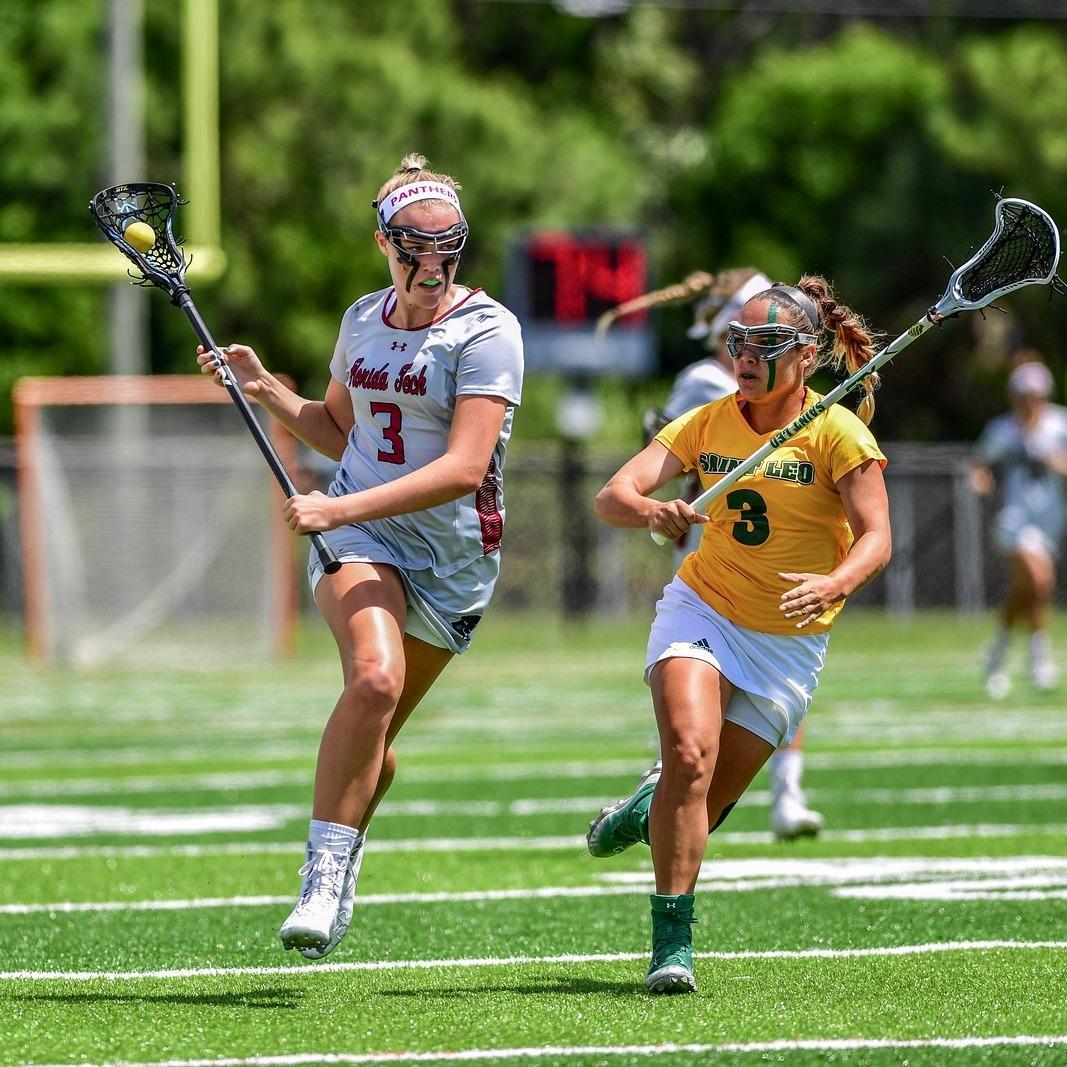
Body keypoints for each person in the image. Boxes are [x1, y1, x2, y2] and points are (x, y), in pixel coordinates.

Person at [197, 153, 523, 959]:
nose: (432, 268)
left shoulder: (488, 332)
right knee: (374, 681)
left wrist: (334, 504)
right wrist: (265, 388)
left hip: (451, 559)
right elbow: (339, 430)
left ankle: (345, 847)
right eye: (415, 250)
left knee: (376, 738)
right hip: (364, 537)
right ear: (384, 243)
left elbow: (462, 469)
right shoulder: (360, 320)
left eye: (447, 250)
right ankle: (322, 875)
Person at [586, 276, 891, 994]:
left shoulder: (839, 434)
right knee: (689, 756)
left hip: (788, 644)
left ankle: (641, 811)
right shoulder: (706, 421)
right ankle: (672, 946)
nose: (746, 356)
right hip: (703, 609)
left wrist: (836, 582)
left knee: (704, 801)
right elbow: (613, 496)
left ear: (807, 355)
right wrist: (652, 511)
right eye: (739, 341)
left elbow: (876, 537)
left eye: (766, 344)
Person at [600, 267, 825, 841]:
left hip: (777, 558)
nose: (754, 351)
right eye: (748, 337)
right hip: (717, 556)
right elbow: (668, 453)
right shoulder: (706, 385)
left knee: (772, 694)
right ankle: (668, 782)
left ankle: (780, 795)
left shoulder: (816, 414)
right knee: (696, 728)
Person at [970, 351, 1067, 700]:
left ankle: (997, 651)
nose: (1031, 402)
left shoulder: (1059, 425)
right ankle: (1039, 658)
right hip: (1013, 519)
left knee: (1026, 589)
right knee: (1040, 580)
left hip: (1049, 520)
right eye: (1025, 396)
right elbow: (981, 463)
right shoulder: (1002, 430)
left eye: (1036, 396)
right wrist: (980, 479)